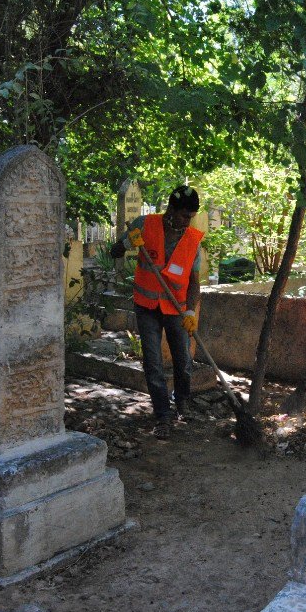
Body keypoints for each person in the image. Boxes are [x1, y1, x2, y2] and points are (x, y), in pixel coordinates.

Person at [111, 185, 203, 439]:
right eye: (184, 215)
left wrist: (190, 311)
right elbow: (115, 251)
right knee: (153, 364)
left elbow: (194, 281)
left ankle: (182, 402)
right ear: (171, 209)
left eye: (191, 217)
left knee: (183, 361)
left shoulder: (192, 239)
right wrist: (128, 242)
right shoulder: (145, 224)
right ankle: (163, 415)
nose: (187, 221)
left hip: (176, 309)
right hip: (147, 306)